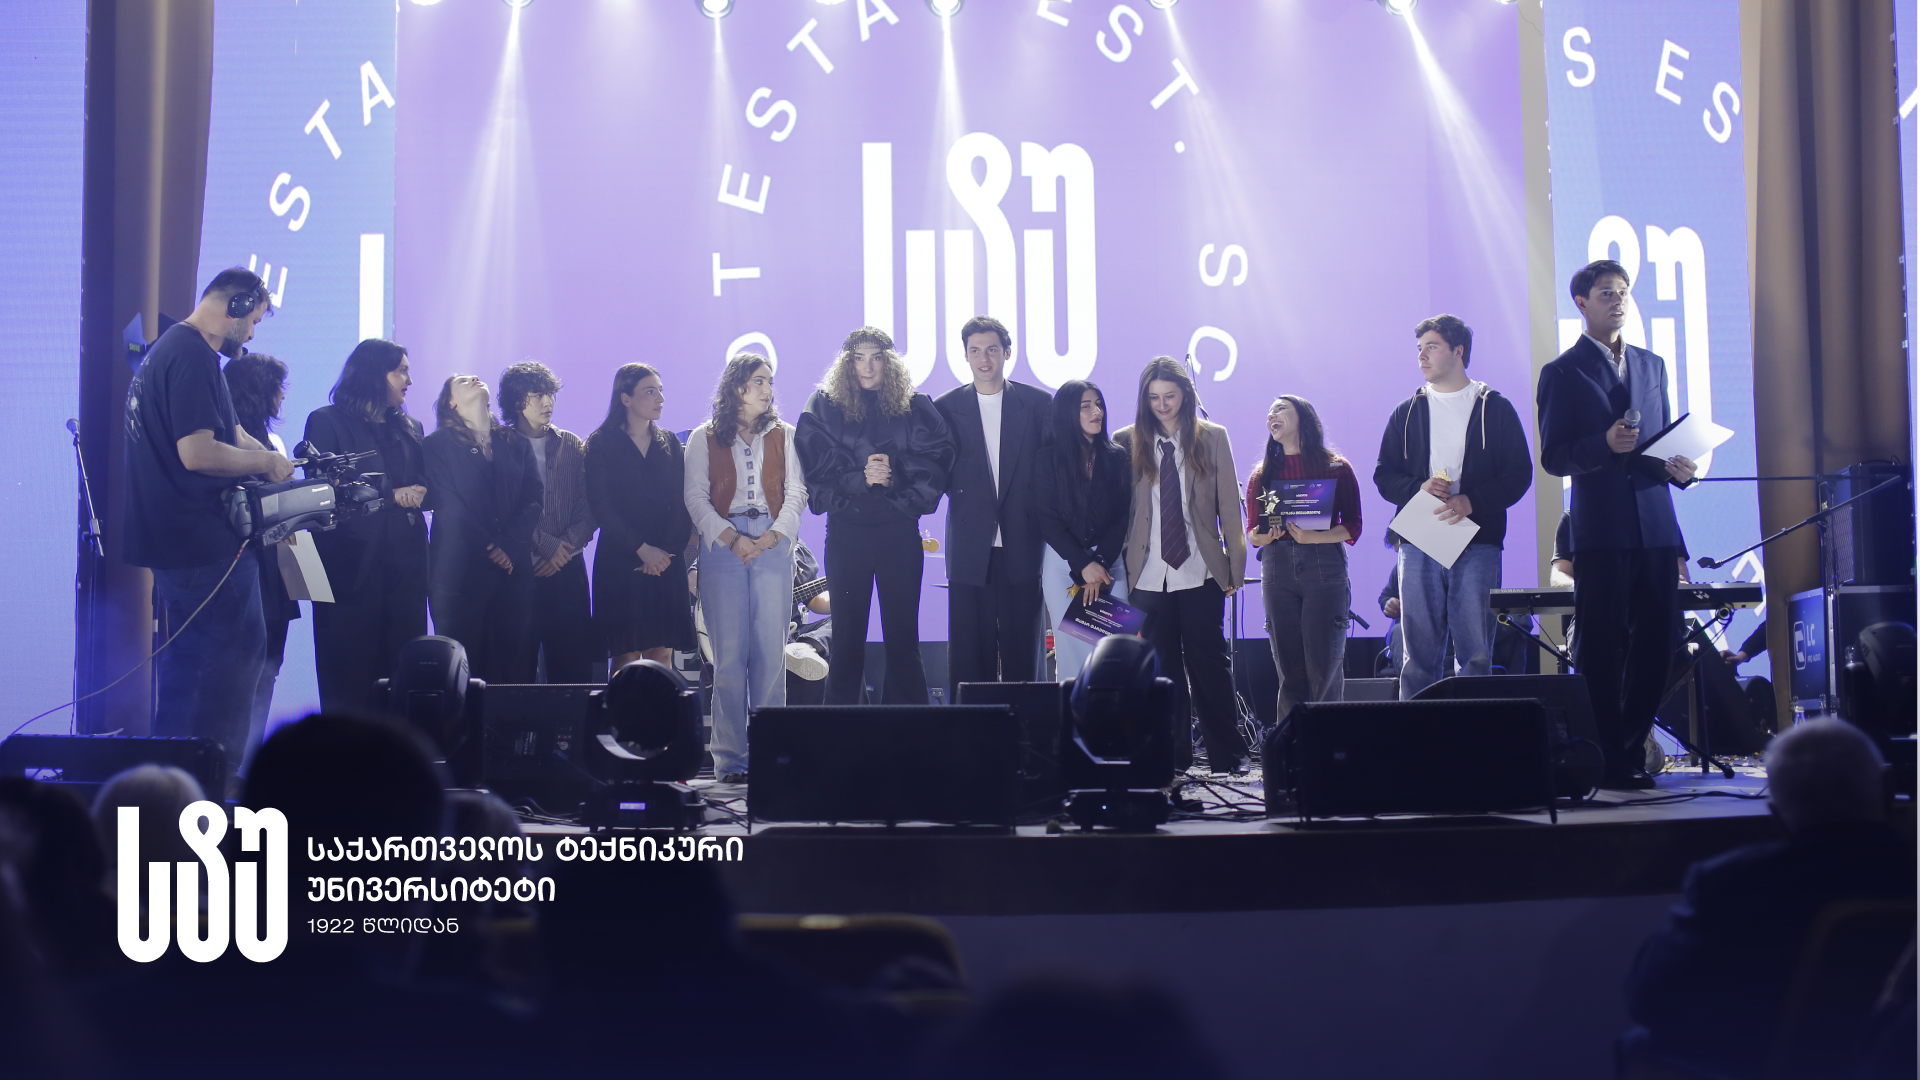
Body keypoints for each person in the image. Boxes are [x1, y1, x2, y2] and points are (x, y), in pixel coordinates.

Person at [1624, 719, 1915, 1079]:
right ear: (1888, 787)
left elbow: (1650, 997)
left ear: (1776, 815)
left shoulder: (1733, 883)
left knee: (1640, 1044)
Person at [121, 267, 291, 774]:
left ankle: (172, 781)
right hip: (201, 544)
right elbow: (196, 453)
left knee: (188, 668)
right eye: (253, 320)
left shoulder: (174, 351)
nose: (252, 334)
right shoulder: (192, 356)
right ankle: (216, 782)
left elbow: (229, 431)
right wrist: (265, 463)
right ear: (235, 307)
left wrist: (268, 456)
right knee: (232, 663)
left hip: (175, 544)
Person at [1538, 260, 1698, 789]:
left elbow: (1661, 443)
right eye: (1606, 292)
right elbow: (1555, 456)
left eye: (1623, 292)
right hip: (1602, 528)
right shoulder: (1563, 371)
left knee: (1660, 644)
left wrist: (1680, 468)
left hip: (1655, 523)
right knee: (1601, 647)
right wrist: (1602, 444)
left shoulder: (1652, 365)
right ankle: (1603, 756)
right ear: (1581, 302)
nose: (1618, 300)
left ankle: (1630, 748)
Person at [1372, 314, 1533, 698]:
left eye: (1431, 347)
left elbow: (1519, 473)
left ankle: (1472, 733)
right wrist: (1418, 488)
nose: (1421, 356)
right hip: (1420, 538)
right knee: (1417, 654)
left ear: (1458, 351)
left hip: (1477, 539)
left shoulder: (1494, 407)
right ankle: (1418, 733)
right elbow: (1383, 475)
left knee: (1475, 652)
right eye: (1419, 348)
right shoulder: (1406, 411)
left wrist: (1472, 501)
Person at [795, 327, 956, 705]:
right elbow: (812, 471)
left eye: (876, 357)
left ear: (889, 362)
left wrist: (893, 474)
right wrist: (861, 477)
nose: (867, 367)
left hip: (898, 535)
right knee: (846, 639)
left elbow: (938, 462)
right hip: (847, 536)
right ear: (847, 363)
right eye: (859, 358)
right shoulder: (824, 406)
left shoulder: (915, 406)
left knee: (903, 639)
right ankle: (842, 734)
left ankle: (907, 733)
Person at [1115, 357, 1248, 776]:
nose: (1162, 405)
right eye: (1153, 398)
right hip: (1146, 574)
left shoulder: (1213, 437)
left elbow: (1230, 507)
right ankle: (1172, 757)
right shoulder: (1126, 441)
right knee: (1161, 671)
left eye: (1169, 396)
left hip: (1201, 570)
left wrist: (1235, 568)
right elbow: (1119, 512)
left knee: (1210, 663)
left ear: (1186, 395)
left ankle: (1228, 755)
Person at [683, 353, 806, 784]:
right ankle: (731, 761)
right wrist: (732, 539)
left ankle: (772, 757)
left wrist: (771, 537)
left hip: (773, 543)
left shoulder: (786, 435)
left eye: (770, 381)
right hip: (722, 547)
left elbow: (797, 493)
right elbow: (695, 497)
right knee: (729, 659)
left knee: (771, 655)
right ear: (737, 387)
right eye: (758, 381)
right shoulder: (702, 438)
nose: (768, 389)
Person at [302, 339, 430, 712]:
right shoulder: (326, 421)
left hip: (406, 564)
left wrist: (422, 489)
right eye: (401, 371)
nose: (409, 381)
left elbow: (424, 478)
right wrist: (392, 495)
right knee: (349, 672)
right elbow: (322, 489)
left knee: (404, 670)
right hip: (351, 565)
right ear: (375, 374)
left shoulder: (411, 426)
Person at [934, 315, 1052, 686]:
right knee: (969, 659)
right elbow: (936, 474)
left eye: (991, 350)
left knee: (1025, 657)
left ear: (1007, 352)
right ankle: (972, 725)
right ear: (965, 355)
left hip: (1024, 544)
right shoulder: (944, 408)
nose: (984, 359)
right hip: (970, 548)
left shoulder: (1038, 404)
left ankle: (1027, 725)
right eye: (975, 351)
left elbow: (1051, 474)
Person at [1246, 396, 1363, 720]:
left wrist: (1316, 537)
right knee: (1289, 669)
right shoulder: (1262, 474)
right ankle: (1292, 746)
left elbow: (1353, 524)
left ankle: (1327, 745)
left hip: (1323, 563)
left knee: (1325, 667)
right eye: (1270, 411)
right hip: (1277, 566)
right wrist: (1264, 536)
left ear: (1303, 417)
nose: (1272, 414)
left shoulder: (1335, 467)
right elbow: (1252, 532)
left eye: (1280, 408)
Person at [423, 374, 543, 683]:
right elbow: (450, 503)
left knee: (514, 666)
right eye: (463, 381)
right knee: (464, 669)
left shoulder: (515, 441)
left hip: (512, 570)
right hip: (461, 571)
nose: (474, 379)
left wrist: (509, 544)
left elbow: (533, 497)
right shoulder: (436, 445)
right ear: (451, 403)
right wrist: (494, 547)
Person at [585, 364, 696, 669]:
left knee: (662, 653)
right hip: (621, 558)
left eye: (660, 390)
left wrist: (665, 553)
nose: (660, 398)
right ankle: (624, 704)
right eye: (650, 391)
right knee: (626, 655)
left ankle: (661, 704)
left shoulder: (670, 442)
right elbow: (601, 506)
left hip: (666, 560)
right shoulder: (601, 443)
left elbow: (681, 501)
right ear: (625, 398)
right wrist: (641, 549)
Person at [224, 352, 301, 769]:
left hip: (277, 566)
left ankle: (249, 760)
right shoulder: (224, 442)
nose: (282, 397)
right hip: (241, 565)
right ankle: (228, 761)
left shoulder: (275, 444)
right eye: (277, 388)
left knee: (270, 664)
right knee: (243, 667)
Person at [498, 361, 598, 683]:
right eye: (538, 395)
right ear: (517, 401)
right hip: (516, 568)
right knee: (516, 669)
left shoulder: (570, 443)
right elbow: (501, 510)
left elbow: (589, 505)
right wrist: (546, 546)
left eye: (551, 394)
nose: (548, 402)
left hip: (568, 568)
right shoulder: (498, 446)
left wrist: (562, 550)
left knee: (573, 670)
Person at [1036, 379, 1132, 682]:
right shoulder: (1047, 459)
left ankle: (1113, 714)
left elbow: (1121, 518)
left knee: (1113, 654)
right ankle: (1075, 713)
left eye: (1099, 404)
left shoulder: (1117, 457)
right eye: (1086, 406)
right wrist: (1082, 565)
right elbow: (1047, 519)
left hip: (1109, 565)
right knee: (1072, 654)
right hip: (1063, 564)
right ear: (1067, 413)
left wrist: (1099, 564)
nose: (1096, 412)